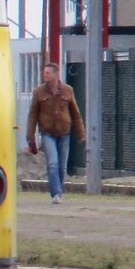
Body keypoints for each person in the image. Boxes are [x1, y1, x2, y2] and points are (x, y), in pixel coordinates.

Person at [26, 61, 86, 204]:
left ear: (56, 74)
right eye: (44, 72)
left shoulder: (68, 90)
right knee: (52, 163)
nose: (44, 75)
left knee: (61, 166)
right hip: (47, 133)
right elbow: (33, 114)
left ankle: (59, 190)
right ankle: (56, 194)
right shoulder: (38, 92)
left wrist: (81, 135)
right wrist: (30, 137)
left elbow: (76, 114)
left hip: (64, 133)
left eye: (47, 73)